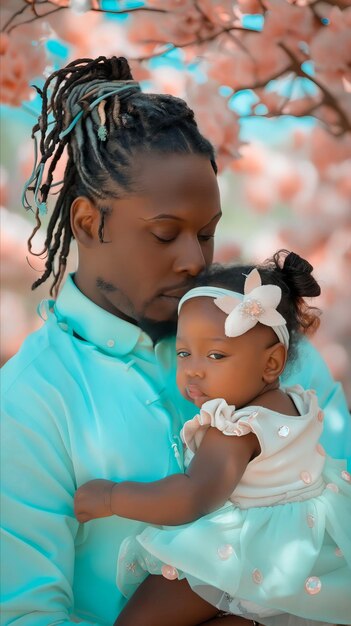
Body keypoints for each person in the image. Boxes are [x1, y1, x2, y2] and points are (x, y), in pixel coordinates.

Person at [0, 55, 350, 625]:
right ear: (89, 223)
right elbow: (25, 617)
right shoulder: (29, 403)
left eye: (207, 234)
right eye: (166, 234)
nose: (196, 260)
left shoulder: (274, 352)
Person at [74, 250, 351, 626]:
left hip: (246, 552)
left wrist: (111, 497)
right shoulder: (293, 402)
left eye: (216, 355)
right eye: (185, 353)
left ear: (272, 363)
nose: (193, 372)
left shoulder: (237, 429)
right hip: (306, 554)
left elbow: (193, 496)